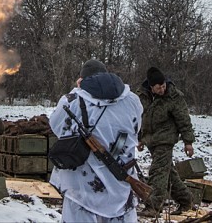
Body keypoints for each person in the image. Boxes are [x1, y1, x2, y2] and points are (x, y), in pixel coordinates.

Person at [49, 59, 143, 222]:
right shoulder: (133, 100)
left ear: (82, 79)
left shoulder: (73, 99)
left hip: (83, 187)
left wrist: (77, 89)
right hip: (121, 183)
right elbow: (136, 128)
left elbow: (57, 127)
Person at [137, 67, 195, 217]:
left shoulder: (173, 96)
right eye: (158, 87)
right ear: (151, 87)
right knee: (168, 174)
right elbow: (139, 117)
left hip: (166, 139)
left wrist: (188, 141)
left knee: (157, 172)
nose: (162, 89)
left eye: (163, 86)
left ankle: (153, 206)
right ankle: (186, 200)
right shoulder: (142, 96)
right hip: (151, 139)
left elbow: (183, 119)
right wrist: (140, 138)